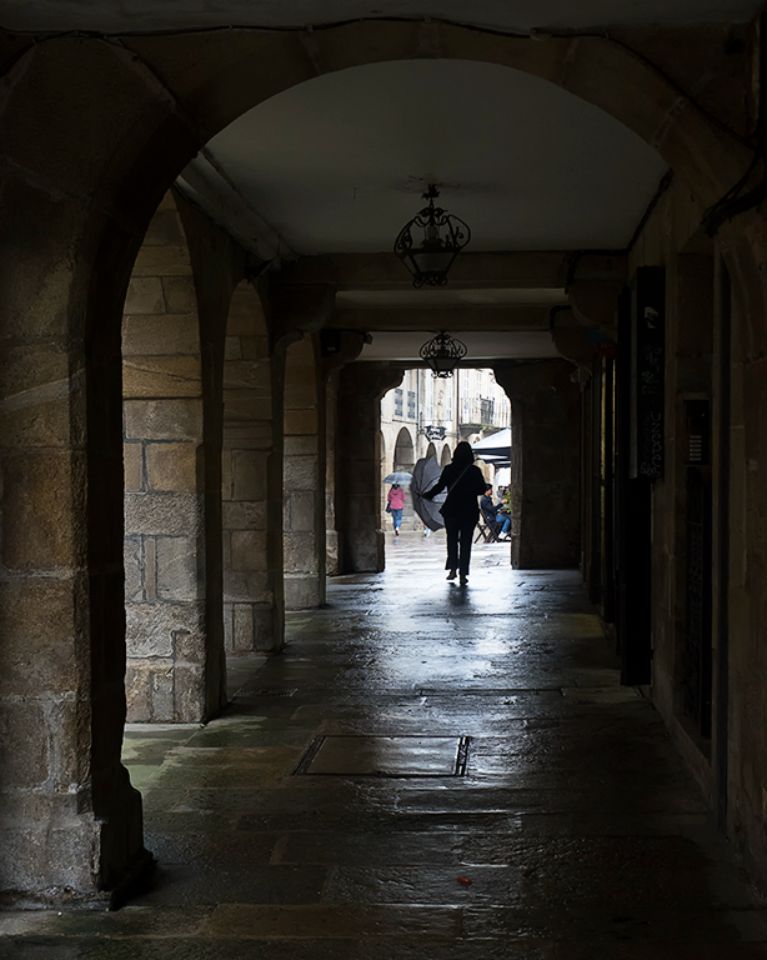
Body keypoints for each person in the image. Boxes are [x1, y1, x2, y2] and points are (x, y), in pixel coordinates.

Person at [423, 441, 487, 585]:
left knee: (451, 540)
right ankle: (463, 573)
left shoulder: (449, 469)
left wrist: (428, 494)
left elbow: (440, 486)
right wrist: (470, 489)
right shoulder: (474, 471)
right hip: (469, 510)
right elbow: (482, 489)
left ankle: (452, 569)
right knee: (466, 542)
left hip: (452, 509)